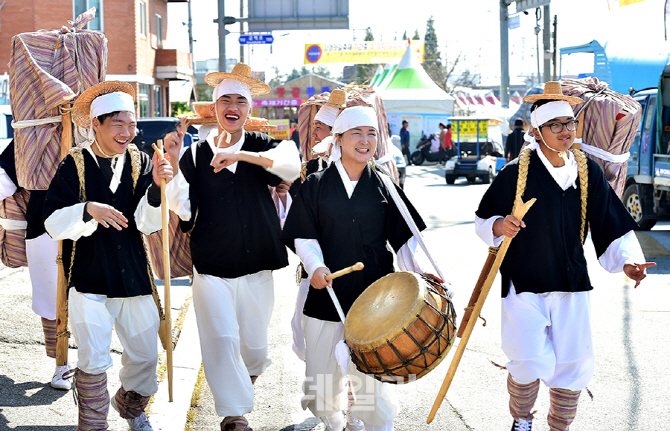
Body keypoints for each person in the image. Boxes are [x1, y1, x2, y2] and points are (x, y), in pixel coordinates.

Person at [474, 82, 655, 431]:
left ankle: (560, 426)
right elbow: (483, 220)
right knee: (527, 359)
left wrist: (628, 261)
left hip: (572, 281)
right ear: (537, 132)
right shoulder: (515, 172)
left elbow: (610, 223)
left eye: (570, 123)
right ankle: (522, 420)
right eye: (555, 125)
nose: (565, 131)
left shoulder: (588, 173)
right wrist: (500, 225)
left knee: (572, 362)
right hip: (523, 281)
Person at [162, 63, 300, 431]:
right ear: (214, 107)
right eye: (225, 99)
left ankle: (242, 390)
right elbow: (183, 208)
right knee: (222, 338)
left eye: (240, 100)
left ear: (249, 110)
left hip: (259, 263)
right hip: (211, 264)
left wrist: (241, 157)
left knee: (254, 348)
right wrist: (174, 162)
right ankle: (234, 415)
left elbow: (290, 167)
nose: (232, 106)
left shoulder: (263, 147)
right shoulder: (194, 155)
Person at [281, 106, 432, 431]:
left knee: (372, 391)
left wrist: (422, 275)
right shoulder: (316, 184)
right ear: (338, 139)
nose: (365, 140)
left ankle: (364, 422)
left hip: (375, 302)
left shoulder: (384, 185)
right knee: (321, 389)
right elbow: (302, 236)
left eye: (371, 133)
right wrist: (315, 265)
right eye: (356, 133)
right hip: (326, 298)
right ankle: (335, 421)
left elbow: (406, 240)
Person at [44, 81, 174, 431]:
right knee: (93, 359)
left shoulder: (142, 160)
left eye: (132, 125)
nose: (128, 132)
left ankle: (131, 408)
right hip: (88, 277)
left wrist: (159, 190)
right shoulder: (74, 164)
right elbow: (53, 223)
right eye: (118, 124)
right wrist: (88, 209)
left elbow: (148, 224)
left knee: (146, 357)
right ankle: (92, 423)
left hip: (133, 275)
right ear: (96, 124)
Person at [0, 142, 70, 390]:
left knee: (92, 297)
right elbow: (5, 175)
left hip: (93, 226)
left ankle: (91, 365)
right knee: (51, 296)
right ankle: (62, 362)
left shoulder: (104, 131)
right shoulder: (34, 134)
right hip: (44, 225)